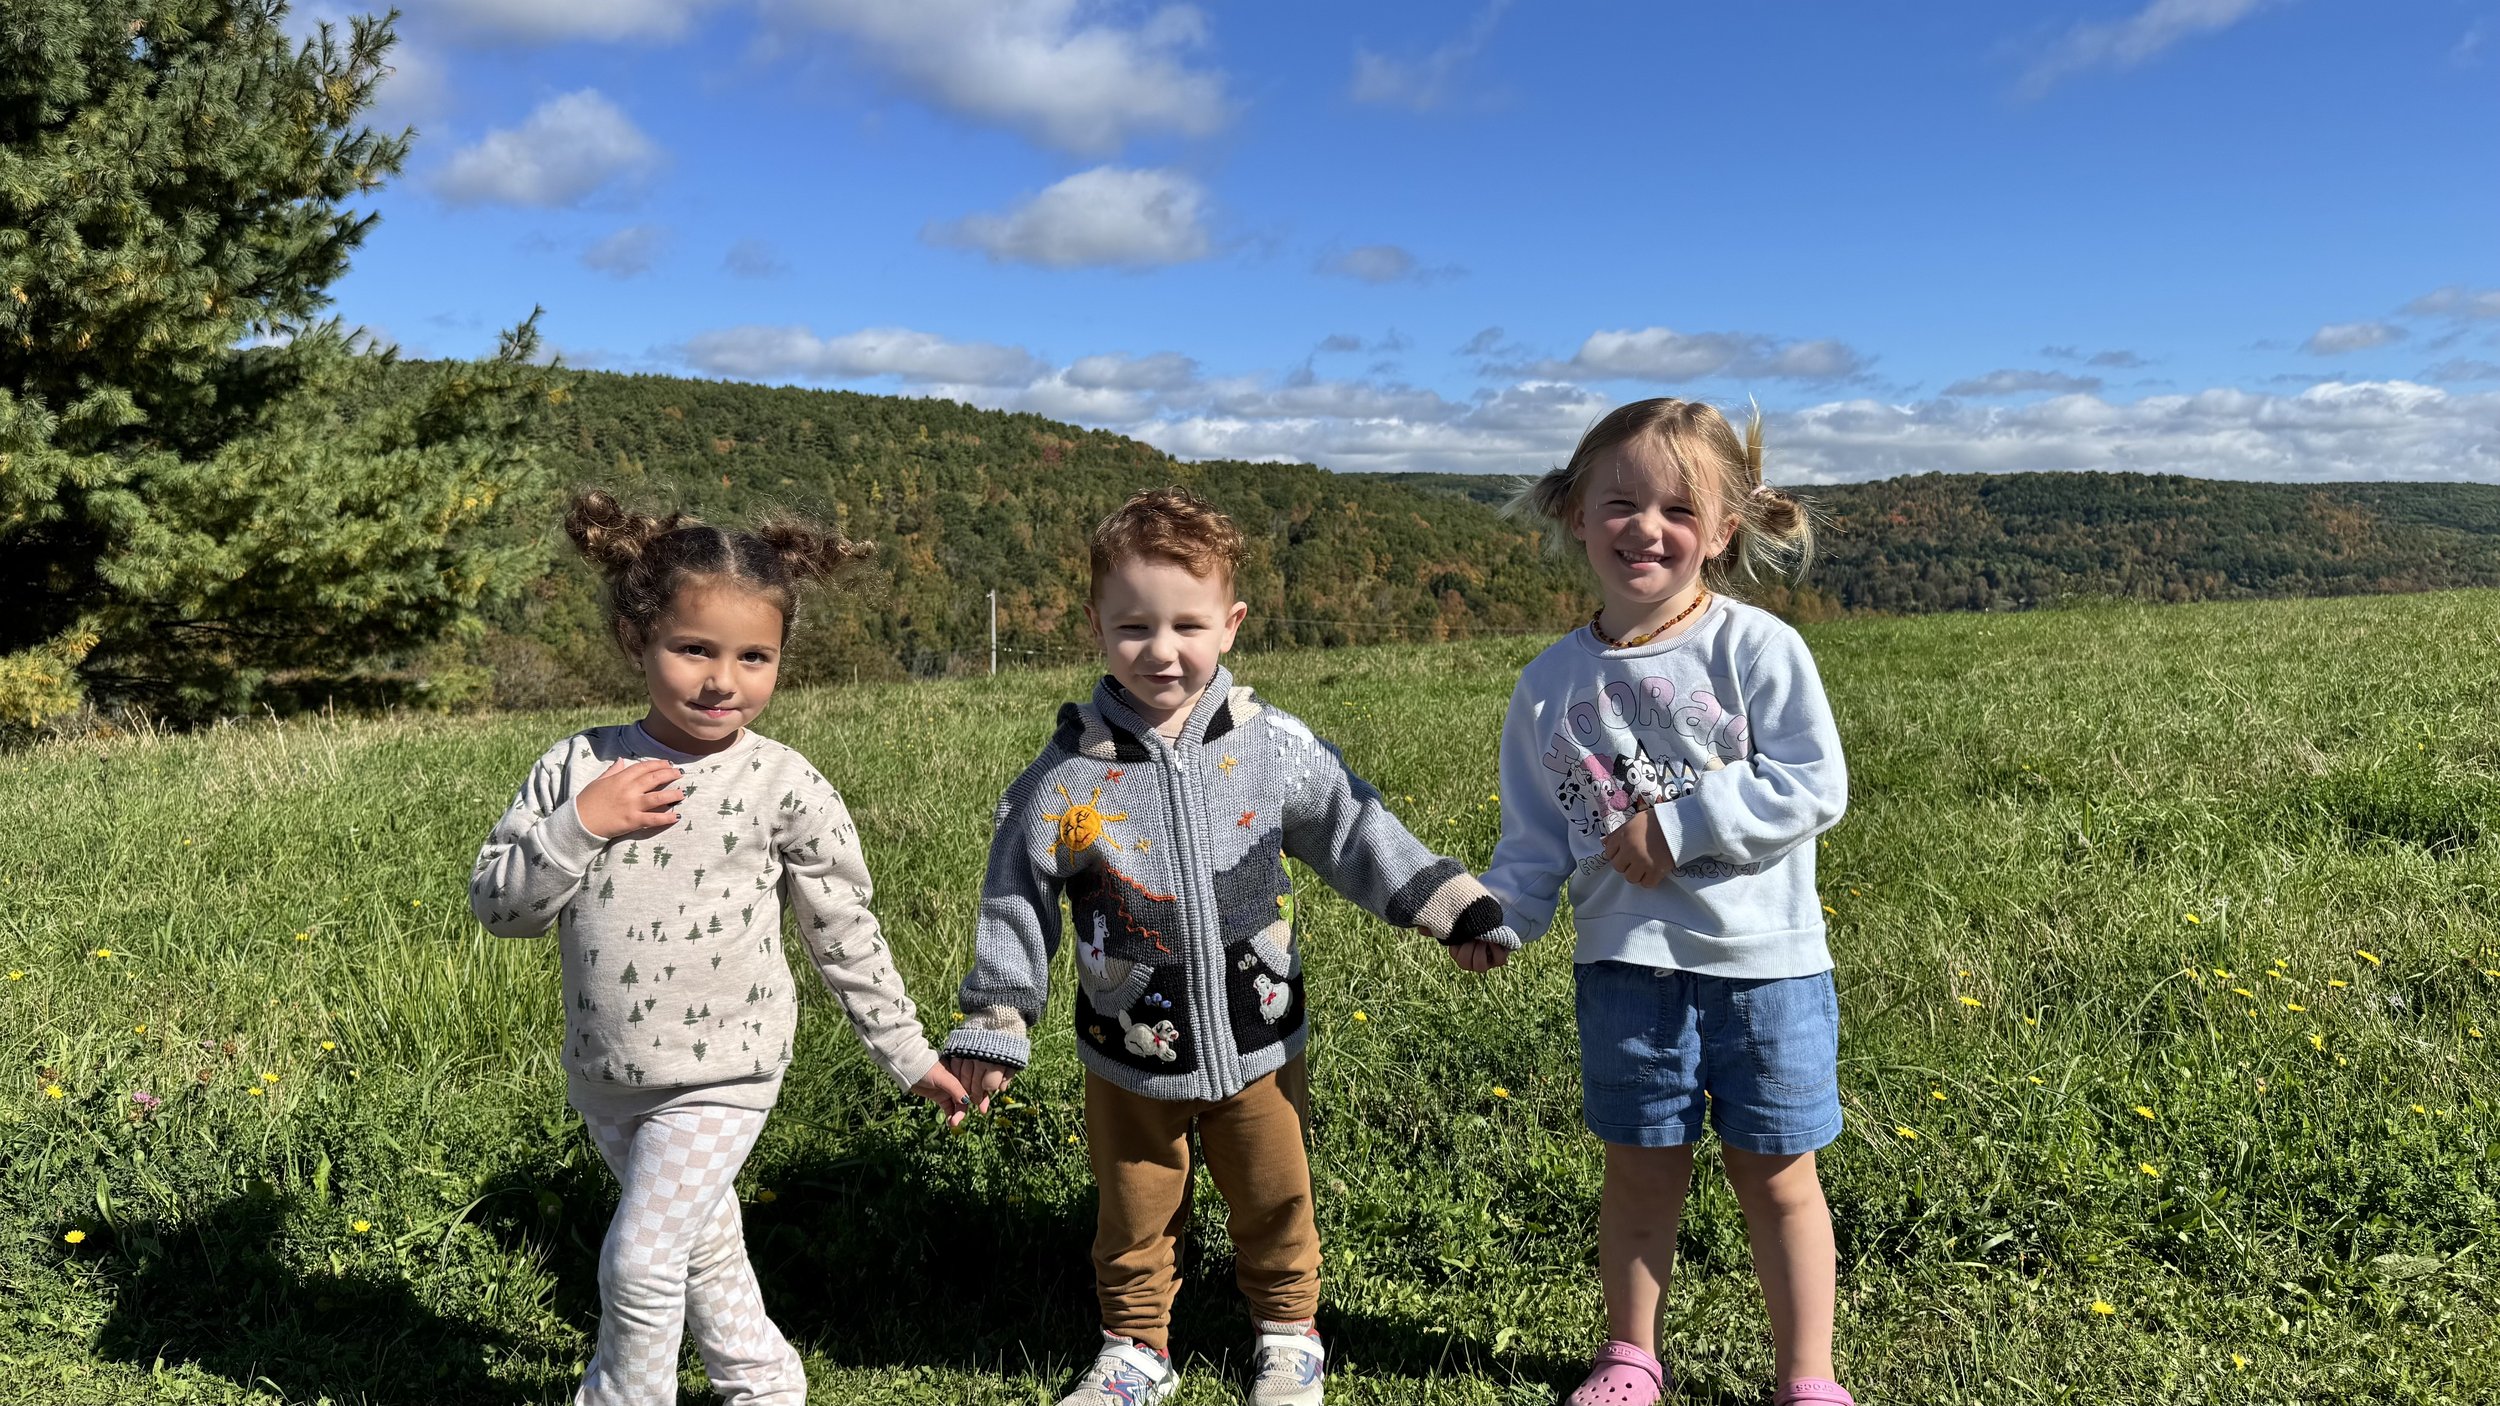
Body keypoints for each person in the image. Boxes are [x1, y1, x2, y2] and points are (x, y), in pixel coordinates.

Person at [941, 487, 1518, 1406]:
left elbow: (1354, 828)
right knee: (1133, 1213)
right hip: (1128, 1057)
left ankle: (1287, 1334)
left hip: (1260, 1041)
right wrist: (996, 1022)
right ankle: (1136, 1348)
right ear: (1095, 624)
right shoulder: (1063, 778)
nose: (1161, 650)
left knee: (1276, 1198)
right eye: (1132, 626)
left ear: (1232, 624)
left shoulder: (1271, 747)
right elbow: (1017, 900)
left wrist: (1448, 904)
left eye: (1186, 624)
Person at [469, 490, 967, 1406]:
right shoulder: (577, 769)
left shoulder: (785, 784)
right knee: (698, 1246)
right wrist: (579, 828)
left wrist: (909, 1055)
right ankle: (765, 1382)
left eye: (754, 656)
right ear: (635, 640)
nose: (721, 680)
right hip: (608, 1073)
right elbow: (502, 908)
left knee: (641, 1263)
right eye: (694, 648)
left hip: (726, 1070)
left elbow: (843, 931)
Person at [1483, 400, 1852, 1406]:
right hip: (1625, 970)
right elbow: (1531, 841)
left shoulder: (1757, 650)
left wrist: (1677, 824)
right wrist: (1497, 916)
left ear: (1726, 527)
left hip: (1764, 967)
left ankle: (1806, 1375)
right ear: (1575, 514)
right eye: (1620, 502)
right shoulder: (1548, 685)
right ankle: (1630, 1354)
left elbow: (1815, 783)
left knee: (1778, 1177)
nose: (1646, 526)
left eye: (1678, 508)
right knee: (1641, 1176)